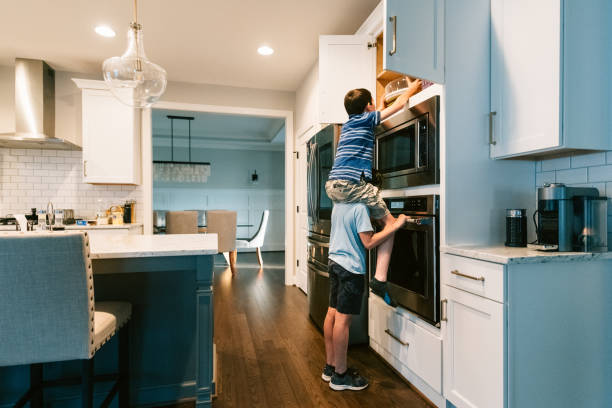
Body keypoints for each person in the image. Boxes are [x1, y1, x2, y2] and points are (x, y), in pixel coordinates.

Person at [325, 79, 421, 306]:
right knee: (390, 225)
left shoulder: (349, 124)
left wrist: (379, 103)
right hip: (353, 184)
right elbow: (398, 106)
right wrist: (411, 90)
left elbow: (379, 111)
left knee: (379, 223)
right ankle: (379, 278)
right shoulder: (367, 119)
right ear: (368, 107)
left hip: (333, 186)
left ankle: (380, 278)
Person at [322, 202, 407, 391]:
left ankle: (330, 367)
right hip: (350, 270)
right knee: (342, 322)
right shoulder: (359, 208)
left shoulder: (338, 203)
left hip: (334, 263)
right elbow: (368, 243)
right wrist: (395, 226)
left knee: (332, 314)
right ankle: (340, 376)